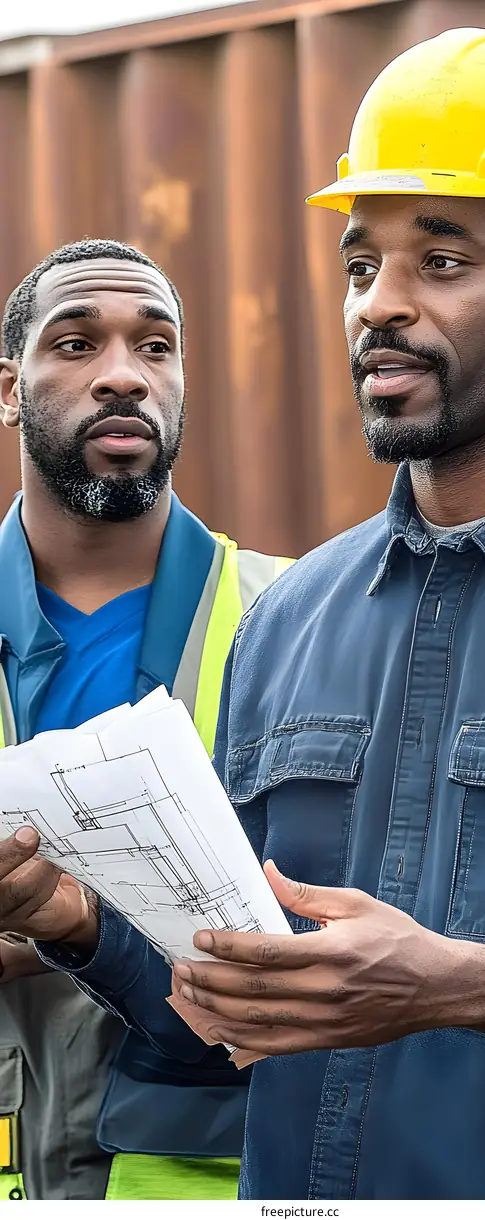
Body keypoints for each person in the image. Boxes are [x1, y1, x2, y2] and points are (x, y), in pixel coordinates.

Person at [2, 25, 485, 1201]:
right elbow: (206, 1033)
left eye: (439, 260)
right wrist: (77, 920)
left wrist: (459, 982)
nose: (379, 304)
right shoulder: (294, 621)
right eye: (359, 264)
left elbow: (427, 986)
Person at [0, 238, 292, 1201]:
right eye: (77, 344)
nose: (123, 375)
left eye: (155, 347)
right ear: (10, 389)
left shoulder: (298, 618)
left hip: (203, 1167)